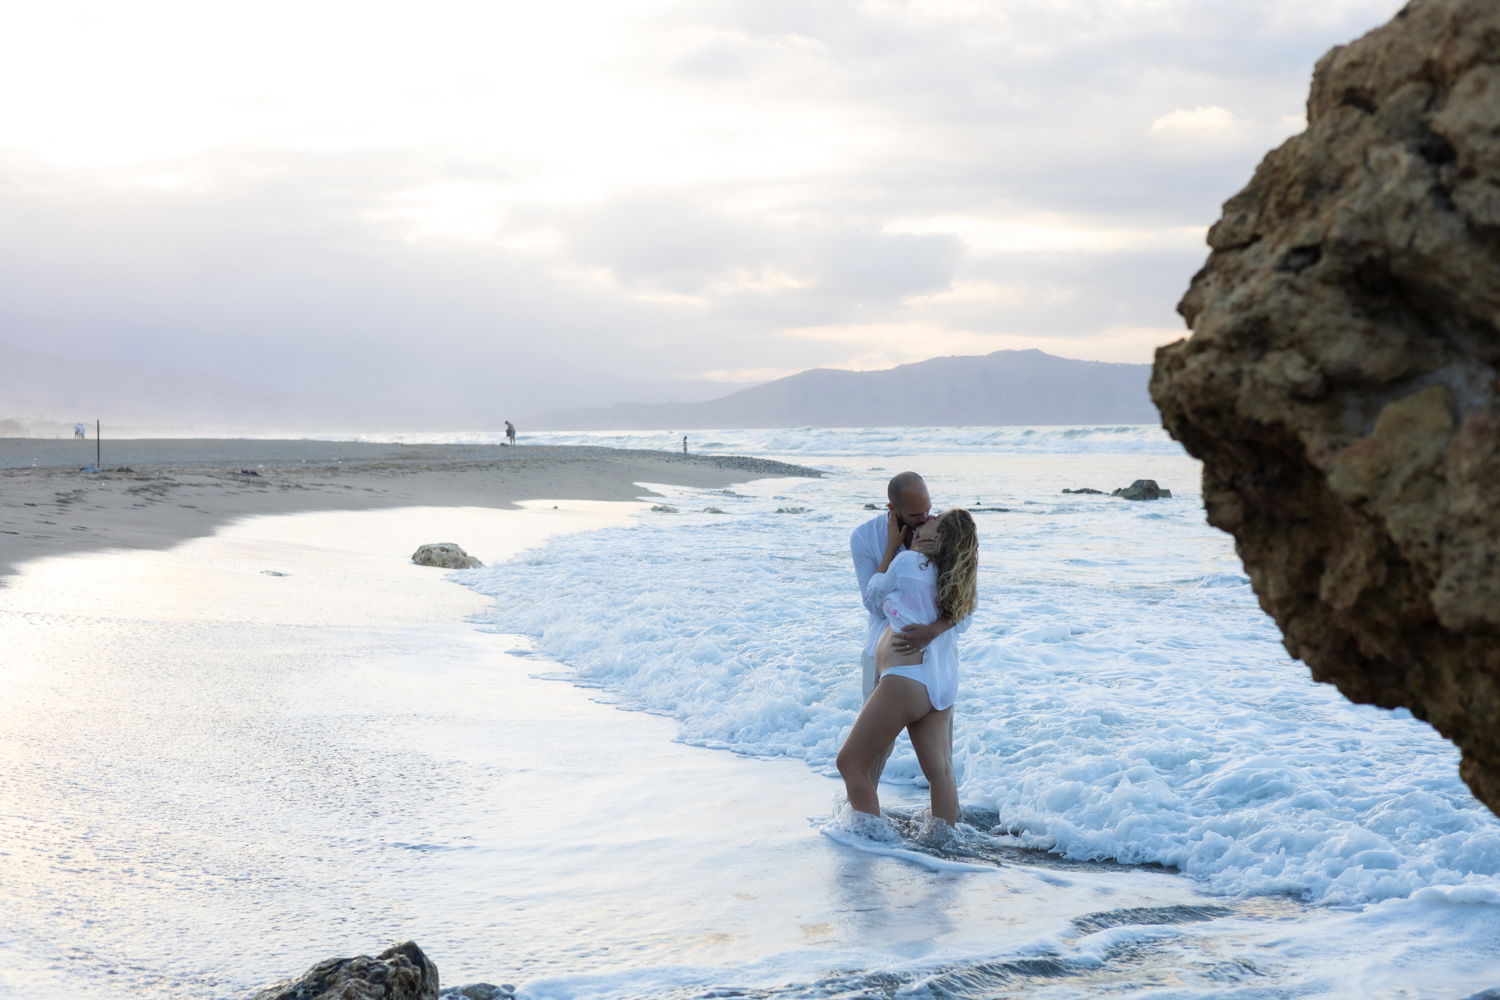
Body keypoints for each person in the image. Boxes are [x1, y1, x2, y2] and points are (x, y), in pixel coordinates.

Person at [838, 507, 978, 825]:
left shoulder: (907, 562)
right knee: (940, 773)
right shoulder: (955, 574)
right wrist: (932, 629)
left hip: (905, 681)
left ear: (937, 536)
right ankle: (944, 846)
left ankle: (869, 841)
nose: (927, 519)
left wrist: (889, 550)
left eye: (933, 519)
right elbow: (963, 616)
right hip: (939, 683)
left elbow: (873, 595)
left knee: (850, 762)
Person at [849, 472, 963, 786]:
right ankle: (862, 825)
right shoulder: (864, 536)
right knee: (869, 752)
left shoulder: (942, 531)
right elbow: (872, 605)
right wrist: (891, 549)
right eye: (915, 515)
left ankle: (945, 829)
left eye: (928, 510)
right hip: (885, 656)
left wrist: (933, 630)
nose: (925, 519)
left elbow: (964, 603)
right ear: (892, 508)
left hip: (937, 656)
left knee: (940, 762)